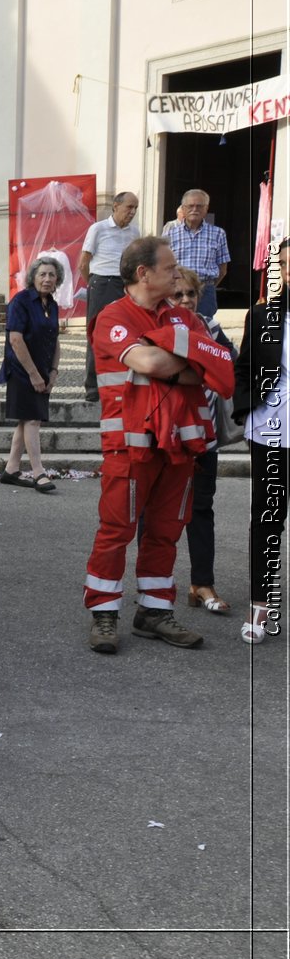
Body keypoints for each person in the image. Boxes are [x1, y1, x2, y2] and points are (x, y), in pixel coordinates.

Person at [83, 236, 234, 654]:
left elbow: (216, 366)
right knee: (117, 531)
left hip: (180, 446)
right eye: (169, 267)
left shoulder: (183, 317)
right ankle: (105, 613)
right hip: (130, 445)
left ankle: (153, 611)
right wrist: (187, 362)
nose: (177, 272)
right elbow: (150, 362)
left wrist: (182, 361)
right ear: (143, 273)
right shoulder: (113, 315)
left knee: (165, 532)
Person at [169, 266, 236, 619]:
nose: (185, 300)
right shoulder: (160, 329)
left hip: (204, 438)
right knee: (156, 515)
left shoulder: (210, 328)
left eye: (190, 294)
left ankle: (202, 584)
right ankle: (155, 588)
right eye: (177, 294)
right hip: (166, 439)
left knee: (201, 511)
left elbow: (231, 367)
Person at [236, 238, 288, 644]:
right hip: (271, 427)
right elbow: (243, 368)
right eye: (285, 266)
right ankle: (261, 604)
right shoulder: (262, 315)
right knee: (267, 519)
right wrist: (244, 410)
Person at [0, 256, 61, 491]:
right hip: (22, 371)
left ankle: (11, 469)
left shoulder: (52, 305)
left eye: (51, 275)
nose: (47, 279)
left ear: (57, 280)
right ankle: (38, 472)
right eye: (42, 274)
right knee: (33, 419)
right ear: (33, 277)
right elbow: (15, 339)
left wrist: (53, 371)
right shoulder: (20, 301)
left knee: (27, 420)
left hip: (43, 371)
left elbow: (55, 340)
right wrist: (34, 374)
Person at [78, 192, 140, 402]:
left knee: (124, 334)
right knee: (95, 333)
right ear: (116, 206)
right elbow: (83, 262)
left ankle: (119, 381)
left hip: (124, 285)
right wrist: (93, 284)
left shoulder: (134, 233)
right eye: (129, 207)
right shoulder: (98, 228)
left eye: (135, 208)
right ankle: (92, 385)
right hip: (101, 282)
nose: (132, 212)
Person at [163, 189, 229, 319]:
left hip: (205, 291)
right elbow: (164, 266)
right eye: (190, 206)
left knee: (204, 328)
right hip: (177, 291)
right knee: (178, 327)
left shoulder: (218, 234)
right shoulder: (170, 234)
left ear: (206, 209)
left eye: (199, 206)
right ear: (183, 209)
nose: (195, 209)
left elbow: (223, 269)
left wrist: (206, 286)